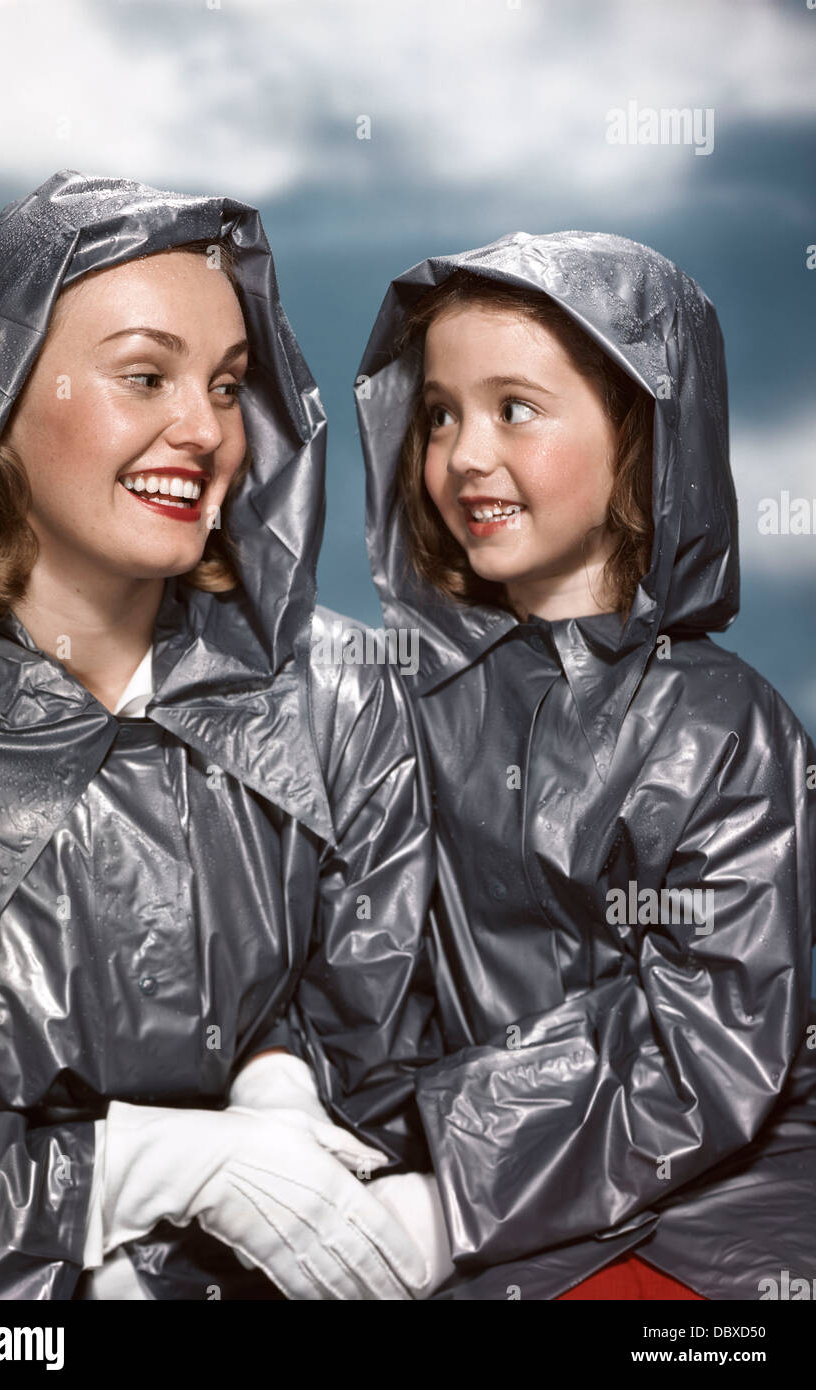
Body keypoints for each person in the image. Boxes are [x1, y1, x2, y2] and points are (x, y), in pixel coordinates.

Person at [0, 170, 449, 1301]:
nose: (203, 430)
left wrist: (282, 1082)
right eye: (144, 375)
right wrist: (141, 1170)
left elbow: (387, 1054)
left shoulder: (345, 693)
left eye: (229, 384)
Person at [355, 231, 816, 1300]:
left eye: (514, 407)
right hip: (456, 1200)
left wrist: (449, 1192)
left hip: (713, 1216)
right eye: (440, 413)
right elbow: (368, 968)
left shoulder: (721, 728)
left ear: (642, 430)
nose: (466, 453)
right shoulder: (408, 705)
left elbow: (704, 1040)